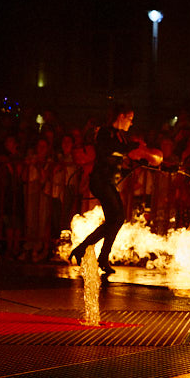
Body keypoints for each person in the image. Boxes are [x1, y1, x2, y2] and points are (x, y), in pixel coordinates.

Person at [70, 105, 162, 275]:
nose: (131, 123)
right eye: (130, 118)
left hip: (108, 183)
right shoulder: (106, 132)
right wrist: (134, 147)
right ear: (121, 116)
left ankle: (91, 253)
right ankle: (92, 253)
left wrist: (146, 158)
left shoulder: (121, 136)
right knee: (117, 218)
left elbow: (128, 154)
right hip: (100, 182)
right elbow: (111, 149)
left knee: (116, 220)